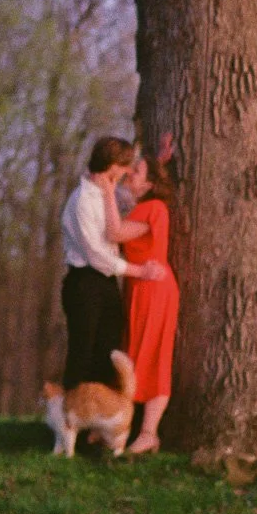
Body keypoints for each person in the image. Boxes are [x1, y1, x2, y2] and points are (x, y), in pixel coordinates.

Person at [60, 137, 165, 394]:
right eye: (125, 166)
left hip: (105, 283)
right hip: (84, 281)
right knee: (82, 353)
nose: (128, 171)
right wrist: (139, 271)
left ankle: (100, 414)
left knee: (108, 352)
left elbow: (134, 194)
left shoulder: (108, 193)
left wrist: (159, 165)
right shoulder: (82, 201)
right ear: (112, 166)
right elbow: (96, 255)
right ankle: (71, 413)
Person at [109, 147, 178, 453]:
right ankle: (120, 425)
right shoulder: (141, 205)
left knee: (153, 355)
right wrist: (157, 161)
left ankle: (149, 432)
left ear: (149, 184)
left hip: (155, 290)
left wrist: (107, 186)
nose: (129, 174)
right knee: (133, 353)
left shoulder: (154, 208)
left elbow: (116, 233)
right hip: (138, 288)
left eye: (135, 172)